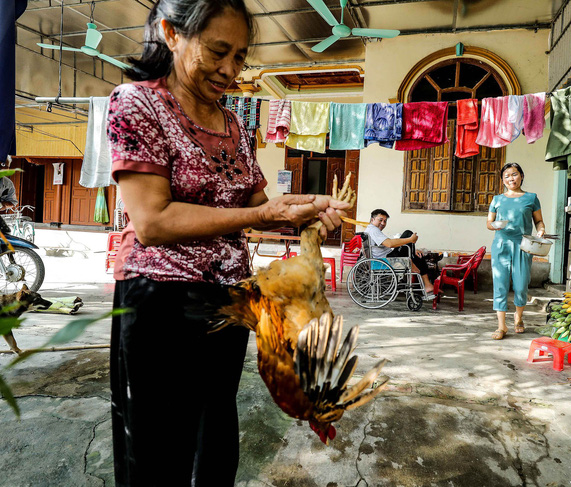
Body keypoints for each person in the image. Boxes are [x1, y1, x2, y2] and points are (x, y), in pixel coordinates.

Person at [106, 1, 350, 485]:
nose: (230, 69)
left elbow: (260, 204)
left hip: (230, 302)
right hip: (160, 302)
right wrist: (264, 213)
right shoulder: (136, 102)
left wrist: (307, 213)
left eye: (240, 56)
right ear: (171, 33)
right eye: (218, 51)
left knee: (215, 430)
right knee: (158, 447)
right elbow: (152, 220)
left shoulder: (233, 123)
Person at [486, 163, 545, 340]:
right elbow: (489, 223)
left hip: (524, 245)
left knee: (521, 285)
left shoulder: (531, 198)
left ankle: (518, 317)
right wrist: (494, 225)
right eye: (507, 176)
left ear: (521, 176)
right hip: (501, 245)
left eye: (514, 174)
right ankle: (501, 326)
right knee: (500, 284)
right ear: (502, 180)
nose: (511, 178)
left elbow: (539, 222)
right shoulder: (497, 199)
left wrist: (540, 231)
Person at [364, 209, 435, 297]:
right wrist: (410, 240)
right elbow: (390, 244)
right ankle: (417, 270)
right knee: (408, 233)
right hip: (386, 260)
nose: (383, 223)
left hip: (387, 257)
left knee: (418, 255)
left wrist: (412, 249)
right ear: (372, 220)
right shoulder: (373, 230)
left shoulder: (372, 230)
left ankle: (428, 285)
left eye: (385, 221)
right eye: (380, 220)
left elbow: (389, 244)